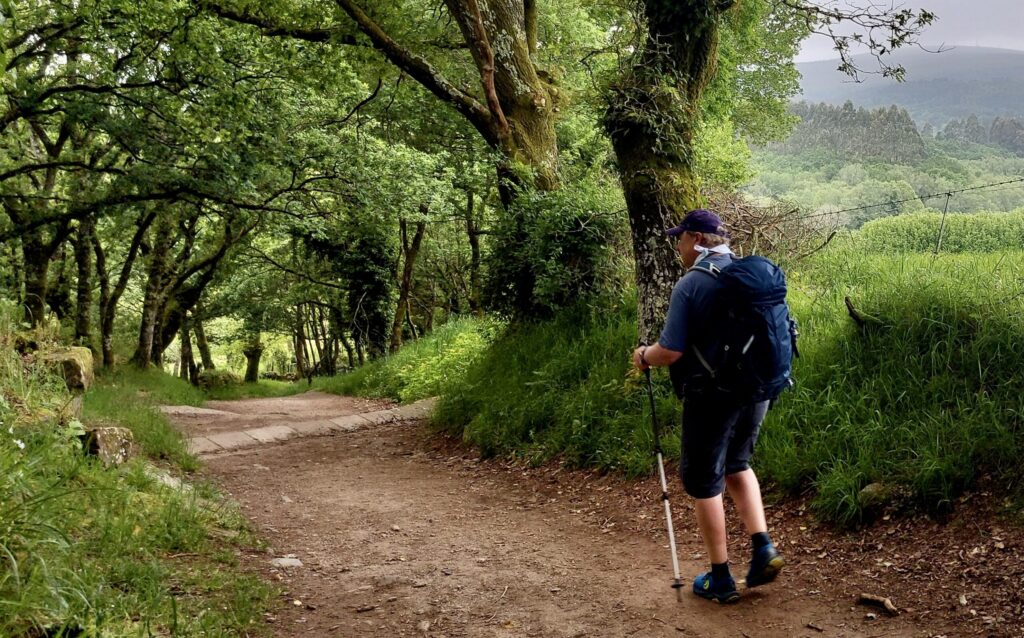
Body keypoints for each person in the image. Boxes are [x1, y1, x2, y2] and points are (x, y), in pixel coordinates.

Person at [631, 208, 783, 604]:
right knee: (738, 463)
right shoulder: (749, 275)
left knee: (704, 480)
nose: (678, 245)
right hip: (757, 388)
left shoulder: (692, 284)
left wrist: (645, 355)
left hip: (712, 395)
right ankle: (763, 547)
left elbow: (671, 350)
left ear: (696, 238)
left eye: (680, 238)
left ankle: (720, 576)